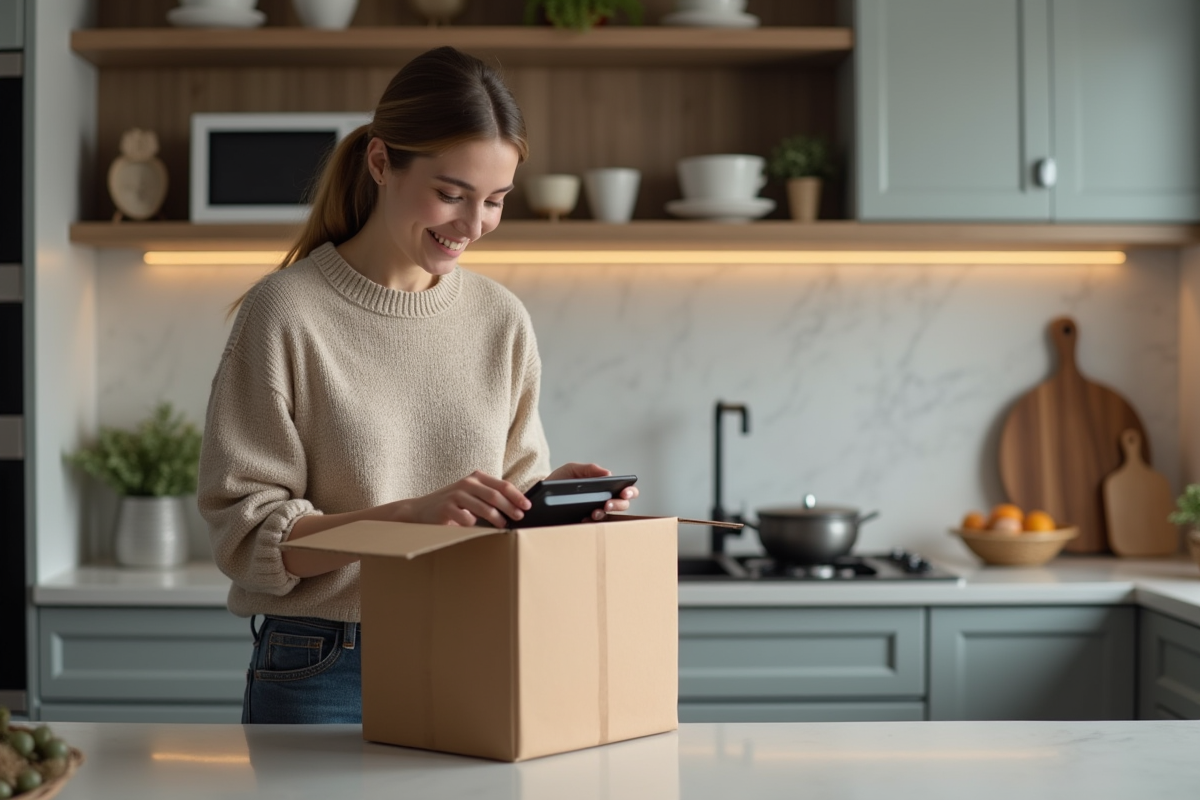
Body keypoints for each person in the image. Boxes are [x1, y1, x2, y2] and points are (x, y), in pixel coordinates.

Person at [197, 46, 638, 725]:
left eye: (494, 201)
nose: (472, 225)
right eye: (451, 194)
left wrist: (554, 505)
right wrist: (404, 516)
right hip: (324, 661)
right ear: (381, 162)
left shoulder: (501, 319)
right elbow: (246, 541)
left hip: (477, 648)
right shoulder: (285, 313)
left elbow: (507, 522)